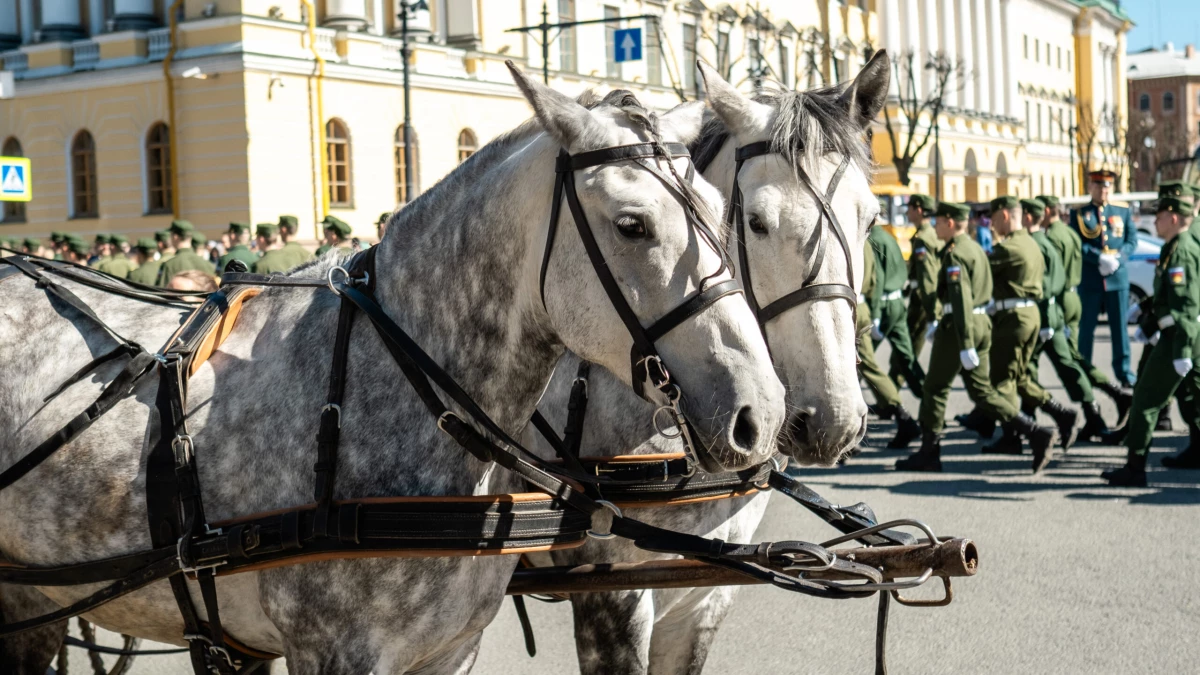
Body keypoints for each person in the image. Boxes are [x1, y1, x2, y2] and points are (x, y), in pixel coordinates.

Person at [898, 201, 1056, 473]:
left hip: (961, 326)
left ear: (950, 223)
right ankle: (1035, 432)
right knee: (982, 391)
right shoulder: (974, 248)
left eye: (938, 222)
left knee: (935, 389)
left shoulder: (956, 253)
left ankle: (929, 452)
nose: (934, 226)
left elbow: (960, 299)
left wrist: (964, 341)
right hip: (982, 322)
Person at [1102, 195, 1200, 486]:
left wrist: (1181, 348)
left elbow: (1185, 306)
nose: (1153, 221)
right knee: (1193, 395)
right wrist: (1150, 318)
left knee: (1145, 399)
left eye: (1159, 216)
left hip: (1179, 339)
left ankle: (1135, 468)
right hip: (1181, 335)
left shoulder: (1180, 251)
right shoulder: (1176, 247)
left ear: (1172, 218)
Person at [1034, 194, 1121, 441]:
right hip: (1073, 296)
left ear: (1048, 210)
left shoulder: (1052, 236)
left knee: (1067, 360)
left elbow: (1052, 275)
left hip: (1058, 300)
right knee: (1070, 357)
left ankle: (1100, 406)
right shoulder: (1069, 231)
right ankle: (1107, 399)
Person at [1008, 197, 1080, 449]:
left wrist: (1048, 320)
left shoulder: (1037, 244)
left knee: (1028, 371)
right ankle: (1021, 428)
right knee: (1030, 369)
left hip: (1043, 314)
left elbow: (1047, 287)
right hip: (1056, 309)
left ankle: (1075, 414)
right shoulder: (1049, 239)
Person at [1071, 169, 1137, 386]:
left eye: (1107, 186)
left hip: (1117, 279)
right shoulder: (1080, 214)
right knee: (1086, 328)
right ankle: (1084, 370)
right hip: (1091, 279)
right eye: (1099, 186)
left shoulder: (1122, 211)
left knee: (1119, 328)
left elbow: (1131, 240)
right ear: (1091, 187)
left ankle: (1124, 371)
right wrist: (1097, 257)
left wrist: (1120, 257)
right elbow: (1077, 243)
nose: (1103, 190)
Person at [857, 240, 922, 450]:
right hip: (862, 306)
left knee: (866, 366)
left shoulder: (863, 237)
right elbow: (875, 279)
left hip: (853, 309)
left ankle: (902, 414)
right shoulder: (867, 238)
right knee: (862, 366)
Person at [869, 223, 925, 398]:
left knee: (863, 359)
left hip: (884, 306)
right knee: (907, 356)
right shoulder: (888, 237)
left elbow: (877, 279)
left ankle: (888, 402)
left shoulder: (873, 240)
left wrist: (875, 314)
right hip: (897, 302)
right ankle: (927, 397)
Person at [901, 194, 942, 366]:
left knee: (907, 352)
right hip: (927, 297)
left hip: (923, 299)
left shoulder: (922, 240)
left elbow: (927, 277)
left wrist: (932, 311)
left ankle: (925, 391)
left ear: (918, 210)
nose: (907, 213)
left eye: (909, 209)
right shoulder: (932, 234)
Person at [156, 220, 215, 286]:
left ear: (175, 237)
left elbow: (163, 292)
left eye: (171, 235)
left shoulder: (170, 265)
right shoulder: (208, 264)